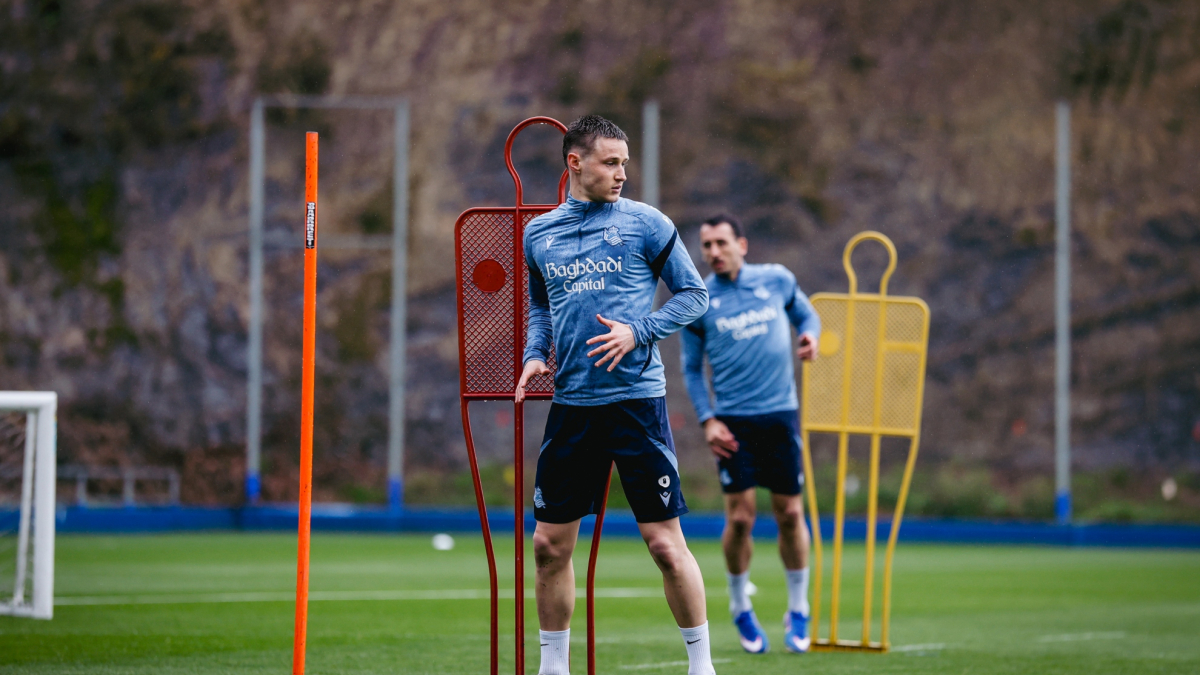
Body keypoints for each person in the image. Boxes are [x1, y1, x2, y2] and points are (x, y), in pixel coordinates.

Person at [516, 115, 714, 675]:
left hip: (636, 404)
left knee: (664, 546)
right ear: (574, 163)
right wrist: (535, 354)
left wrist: (638, 331)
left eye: (625, 161)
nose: (623, 172)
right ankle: (553, 669)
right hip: (572, 407)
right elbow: (541, 307)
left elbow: (694, 296)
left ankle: (703, 668)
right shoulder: (539, 234)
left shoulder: (646, 224)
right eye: (611, 161)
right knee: (548, 547)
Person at [680, 213, 821, 655]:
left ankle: (798, 607)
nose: (714, 252)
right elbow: (689, 368)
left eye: (721, 243)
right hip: (733, 422)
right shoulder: (699, 299)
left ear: (743, 244)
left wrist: (811, 336)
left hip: (779, 415)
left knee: (790, 515)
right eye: (706, 246)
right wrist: (707, 420)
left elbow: (807, 314)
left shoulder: (776, 280)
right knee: (740, 518)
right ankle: (740, 604)